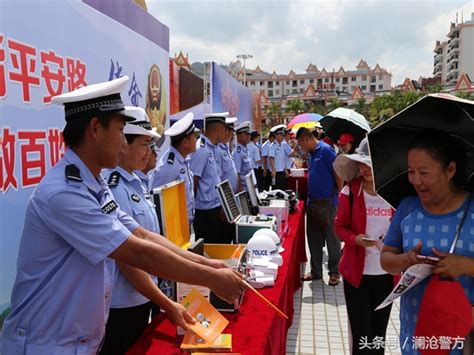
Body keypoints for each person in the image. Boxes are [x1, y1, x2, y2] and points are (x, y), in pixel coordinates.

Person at [0, 77, 245, 354]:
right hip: (42, 345)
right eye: (119, 130)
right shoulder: (64, 194)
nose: (123, 142)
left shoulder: (94, 184)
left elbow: (140, 234)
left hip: (74, 341)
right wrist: (211, 279)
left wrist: (212, 266)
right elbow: (137, 253)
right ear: (95, 129)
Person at [101, 106, 192, 354]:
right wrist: (167, 302)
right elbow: (129, 260)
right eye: (144, 144)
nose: (149, 153)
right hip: (124, 303)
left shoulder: (136, 182)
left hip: (143, 296)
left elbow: (149, 237)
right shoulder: (115, 189)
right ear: (123, 144)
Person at [380, 130, 474, 354]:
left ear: (450, 170)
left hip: (464, 338)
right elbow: (386, 259)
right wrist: (406, 260)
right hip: (416, 334)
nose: (415, 181)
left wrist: (466, 266)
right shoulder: (407, 208)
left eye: (424, 172)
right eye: (411, 172)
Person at [334, 138, 395, 354]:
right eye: (362, 163)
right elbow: (339, 226)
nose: (366, 169)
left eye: (371, 163)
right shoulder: (349, 192)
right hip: (356, 276)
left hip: (386, 275)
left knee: (379, 335)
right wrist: (355, 239)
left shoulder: (393, 194)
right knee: (362, 336)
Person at [296, 127, 342, 285]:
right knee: (313, 238)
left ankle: (334, 272)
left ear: (306, 139)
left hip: (328, 202)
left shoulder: (326, 150)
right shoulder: (311, 154)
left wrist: (339, 194)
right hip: (313, 202)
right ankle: (316, 271)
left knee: (332, 238)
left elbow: (338, 174)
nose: (301, 148)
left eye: (301, 145)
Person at [153, 112, 199, 226]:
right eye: (194, 136)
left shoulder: (183, 159)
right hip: (173, 228)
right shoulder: (169, 166)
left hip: (185, 225)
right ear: (185, 142)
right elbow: (158, 202)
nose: (196, 140)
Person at [190, 113, 228, 243]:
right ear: (218, 130)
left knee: (218, 247)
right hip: (205, 213)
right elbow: (193, 182)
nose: (225, 133)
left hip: (215, 208)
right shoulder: (201, 149)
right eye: (224, 129)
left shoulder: (213, 149)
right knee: (209, 251)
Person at [216, 116, 239, 194]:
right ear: (225, 131)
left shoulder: (225, 147)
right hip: (225, 196)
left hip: (231, 195)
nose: (232, 135)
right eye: (231, 131)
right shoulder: (217, 150)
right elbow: (219, 178)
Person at [233, 121, 252, 191]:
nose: (248, 136)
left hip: (249, 188)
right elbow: (237, 174)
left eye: (249, 134)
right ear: (239, 135)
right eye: (246, 134)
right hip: (244, 190)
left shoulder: (245, 150)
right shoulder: (237, 153)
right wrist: (241, 192)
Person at [268, 125, 288, 190]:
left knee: (283, 189)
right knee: (276, 190)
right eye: (281, 135)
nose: (283, 137)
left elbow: (282, 160)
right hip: (276, 172)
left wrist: (285, 170)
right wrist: (273, 170)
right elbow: (271, 158)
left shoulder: (282, 145)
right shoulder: (273, 145)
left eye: (283, 135)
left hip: (281, 172)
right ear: (277, 135)